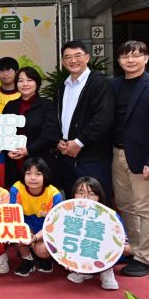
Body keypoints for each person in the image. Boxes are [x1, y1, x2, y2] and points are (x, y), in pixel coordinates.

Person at [111, 40, 149, 277]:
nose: (131, 60)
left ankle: (146, 259)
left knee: (145, 207)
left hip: (143, 158)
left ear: (146, 58)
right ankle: (134, 250)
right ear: (119, 60)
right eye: (126, 56)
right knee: (126, 205)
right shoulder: (114, 85)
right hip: (117, 154)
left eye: (136, 55)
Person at [55, 40, 114, 197]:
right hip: (67, 156)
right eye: (67, 57)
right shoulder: (62, 87)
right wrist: (59, 140)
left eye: (77, 55)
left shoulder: (99, 83)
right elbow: (58, 118)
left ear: (87, 57)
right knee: (72, 204)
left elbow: (103, 118)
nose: (73, 60)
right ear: (62, 61)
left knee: (96, 204)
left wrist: (79, 142)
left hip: (92, 158)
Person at [65, 176, 128, 290]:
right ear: (74, 195)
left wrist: (119, 246)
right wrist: (66, 258)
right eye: (80, 192)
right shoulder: (65, 213)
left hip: (104, 253)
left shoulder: (111, 216)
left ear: (99, 197)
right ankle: (81, 269)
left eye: (92, 194)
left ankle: (106, 271)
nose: (86, 197)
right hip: (80, 250)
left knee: (119, 245)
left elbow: (126, 246)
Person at [2, 67, 60, 188]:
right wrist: (8, 150)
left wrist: (28, 150)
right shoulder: (10, 106)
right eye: (21, 80)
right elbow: (2, 132)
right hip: (14, 162)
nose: (25, 84)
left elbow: (50, 133)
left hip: (41, 162)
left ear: (37, 83)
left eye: (29, 80)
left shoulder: (46, 105)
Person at [11, 157, 63, 277]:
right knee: (16, 232)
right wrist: (25, 232)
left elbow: (54, 225)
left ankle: (45, 258)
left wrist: (34, 238)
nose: (33, 178)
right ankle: (28, 259)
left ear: (45, 175)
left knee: (42, 251)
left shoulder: (54, 194)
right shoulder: (17, 188)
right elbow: (13, 217)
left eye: (38, 174)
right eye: (28, 173)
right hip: (26, 223)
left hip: (46, 226)